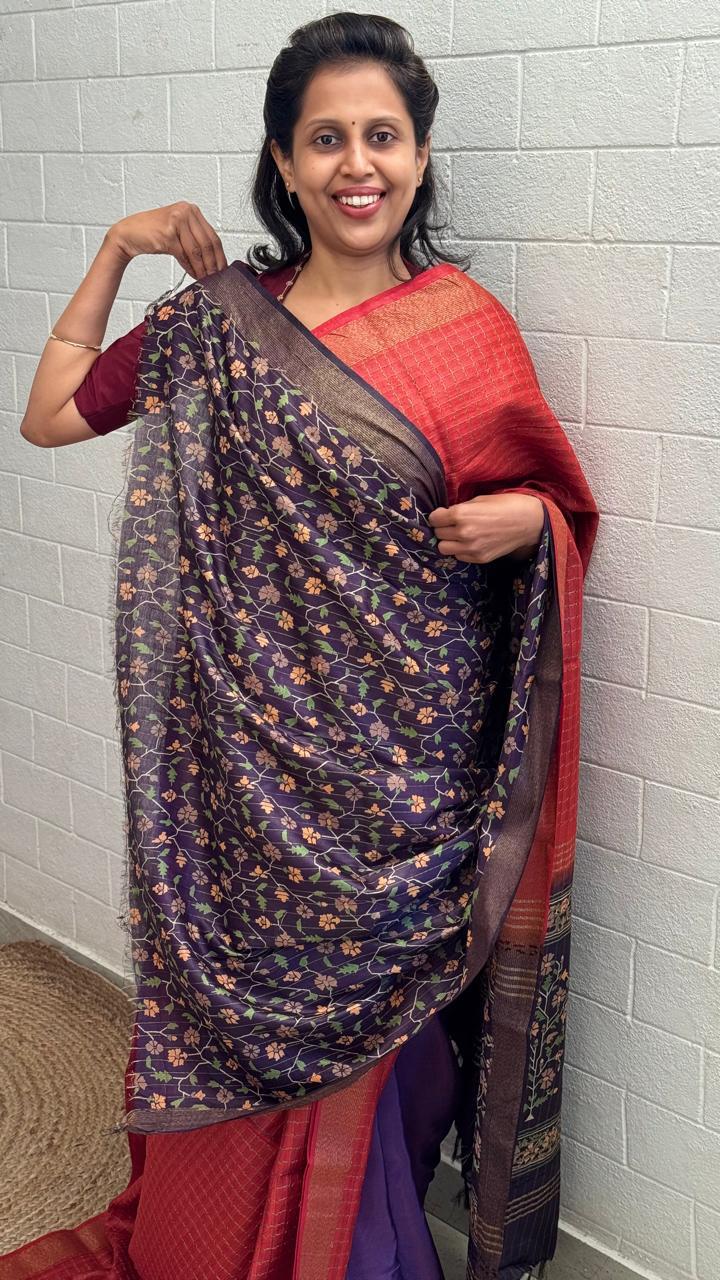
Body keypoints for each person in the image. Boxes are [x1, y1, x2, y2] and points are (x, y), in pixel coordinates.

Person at [7, 12, 599, 1280]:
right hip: (253, 772)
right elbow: (49, 413)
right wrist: (116, 247)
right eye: (325, 138)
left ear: (421, 157)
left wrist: (530, 520)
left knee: (396, 1042)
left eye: (382, 135)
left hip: (413, 781)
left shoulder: (467, 326)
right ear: (283, 160)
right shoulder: (221, 323)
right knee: (254, 1010)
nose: (356, 163)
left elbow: (556, 508)